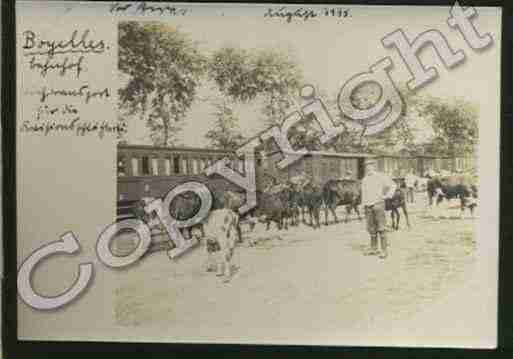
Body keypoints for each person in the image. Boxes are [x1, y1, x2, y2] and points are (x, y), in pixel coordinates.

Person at [361, 159, 397, 259]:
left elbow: (393, 185)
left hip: (378, 205)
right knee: (371, 228)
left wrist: (387, 195)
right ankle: (374, 248)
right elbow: (364, 194)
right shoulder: (364, 180)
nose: (368, 168)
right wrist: (362, 205)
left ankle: (384, 250)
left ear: (374, 166)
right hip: (368, 206)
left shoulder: (380, 176)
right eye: (366, 166)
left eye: (370, 165)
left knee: (381, 227)